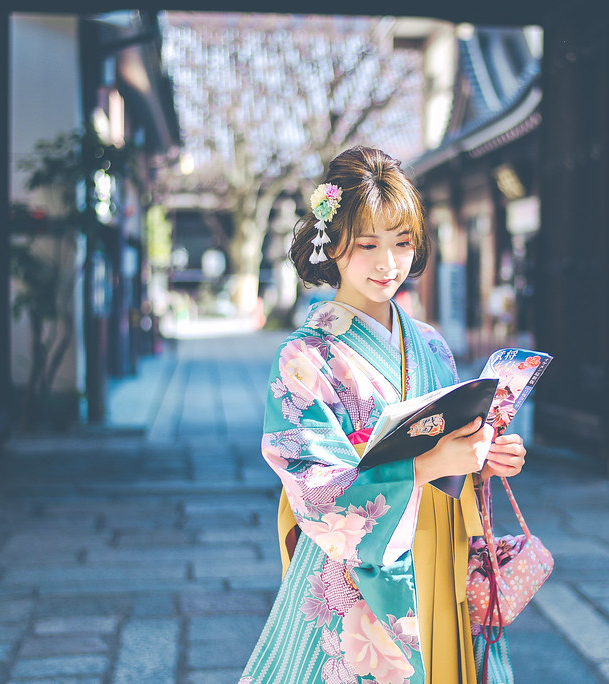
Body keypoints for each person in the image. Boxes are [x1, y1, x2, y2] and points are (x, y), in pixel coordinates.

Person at [239, 146, 527, 684]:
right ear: (332, 244)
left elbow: (454, 451)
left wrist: (482, 460)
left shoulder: (431, 345)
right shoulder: (304, 358)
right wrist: (421, 466)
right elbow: (318, 489)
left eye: (401, 243)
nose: (387, 264)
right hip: (365, 570)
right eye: (367, 244)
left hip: (439, 547)